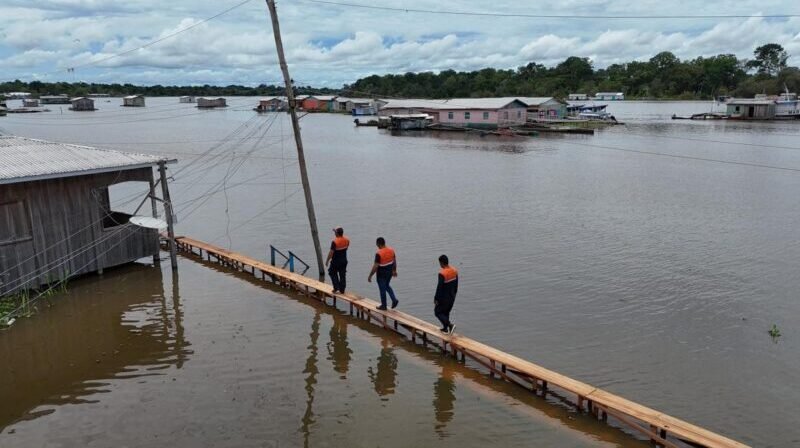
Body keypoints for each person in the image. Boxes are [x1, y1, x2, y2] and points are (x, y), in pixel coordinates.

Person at [367, 237, 397, 310]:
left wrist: (370, 276)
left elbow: (375, 266)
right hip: (389, 272)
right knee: (387, 285)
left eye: (376, 244)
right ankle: (394, 299)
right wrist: (394, 270)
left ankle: (384, 305)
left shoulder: (379, 253)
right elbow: (394, 261)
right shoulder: (391, 250)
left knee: (382, 289)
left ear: (378, 244)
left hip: (381, 273)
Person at [434, 254, 458, 334]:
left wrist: (436, 299)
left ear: (441, 263)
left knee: (437, 312)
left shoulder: (442, 273)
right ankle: (445, 329)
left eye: (439, 263)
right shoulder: (454, 271)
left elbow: (439, 287)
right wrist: (454, 295)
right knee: (446, 312)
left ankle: (450, 325)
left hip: (444, 298)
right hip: (452, 296)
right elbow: (456, 286)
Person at [325, 226, 349, 294]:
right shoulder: (347, 240)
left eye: (335, 232)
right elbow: (346, 248)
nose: (334, 233)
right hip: (344, 260)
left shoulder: (334, 242)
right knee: (342, 274)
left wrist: (327, 261)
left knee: (331, 272)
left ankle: (336, 288)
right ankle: (342, 289)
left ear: (337, 233)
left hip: (336, 261)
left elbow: (331, 253)